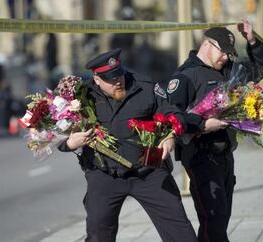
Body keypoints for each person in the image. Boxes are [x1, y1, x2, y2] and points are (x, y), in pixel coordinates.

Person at [57, 48, 197, 242]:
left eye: (119, 74)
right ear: (97, 79)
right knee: (98, 233)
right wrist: (70, 143)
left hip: (149, 172)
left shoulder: (145, 86)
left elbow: (172, 113)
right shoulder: (82, 97)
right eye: (110, 78)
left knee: (181, 233)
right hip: (105, 174)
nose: (118, 81)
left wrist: (171, 136)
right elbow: (59, 132)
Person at [165, 19, 263, 242]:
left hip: (224, 154)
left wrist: (251, 40)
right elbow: (173, 116)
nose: (226, 57)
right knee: (213, 219)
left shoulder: (228, 68)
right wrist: (203, 125)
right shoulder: (184, 76)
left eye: (229, 53)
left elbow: (261, 68)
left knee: (220, 220)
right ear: (207, 44)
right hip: (200, 156)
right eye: (223, 52)